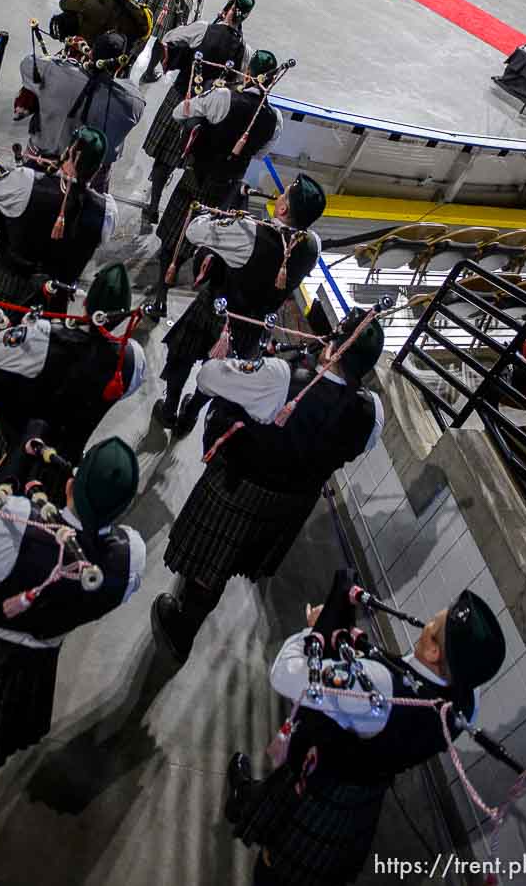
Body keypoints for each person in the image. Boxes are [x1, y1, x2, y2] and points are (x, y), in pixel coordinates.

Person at [0, 436, 144, 852]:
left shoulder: (18, 520)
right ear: (124, 507)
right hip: (36, 662)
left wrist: (6, 477)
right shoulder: (131, 560)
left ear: (72, 485)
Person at [228, 579, 506, 886]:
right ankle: (249, 799)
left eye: (429, 626)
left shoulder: (380, 686)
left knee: (278, 864)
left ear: (431, 648)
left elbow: (285, 674)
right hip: (362, 797)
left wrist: (315, 631)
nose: (425, 626)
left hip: (324, 784)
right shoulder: (468, 703)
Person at [152, 307, 386, 665]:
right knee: (233, 556)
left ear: (335, 344)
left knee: (209, 565)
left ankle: (182, 629)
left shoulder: (281, 378)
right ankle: (196, 601)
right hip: (293, 503)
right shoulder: (373, 412)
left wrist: (243, 363)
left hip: (243, 484)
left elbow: (209, 378)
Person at [156, 172, 326, 433]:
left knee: (182, 356)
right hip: (252, 327)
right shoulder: (313, 246)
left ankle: (169, 408)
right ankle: (190, 416)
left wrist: (229, 210)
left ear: (282, 208)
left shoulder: (249, 232)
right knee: (222, 375)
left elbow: (194, 231)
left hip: (216, 311)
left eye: (284, 193)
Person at [0, 262, 146, 477]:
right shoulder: (134, 358)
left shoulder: (42, 337)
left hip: (9, 455)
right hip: (62, 467)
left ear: (86, 302)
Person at [148, 50, 284, 317]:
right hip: (227, 185)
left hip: (198, 174)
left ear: (248, 71)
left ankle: (161, 293)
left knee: (173, 234)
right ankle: (183, 264)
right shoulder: (274, 119)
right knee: (202, 229)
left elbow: (180, 112)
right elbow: (259, 154)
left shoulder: (223, 97)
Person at [142, 0, 255, 225]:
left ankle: (153, 205)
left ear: (230, 8)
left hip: (181, 97)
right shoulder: (244, 50)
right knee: (184, 156)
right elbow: (238, 83)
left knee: (164, 156)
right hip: (207, 111)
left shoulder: (203, 28)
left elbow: (170, 37)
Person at [0, 127, 117, 307]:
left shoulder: (25, 181)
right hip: (53, 299)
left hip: (8, 284)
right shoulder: (106, 211)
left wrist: (13, 178)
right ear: (98, 168)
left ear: (67, 154)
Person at [15, 31, 145, 187]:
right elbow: (126, 89)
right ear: (122, 63)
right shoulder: (134, 102)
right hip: (88, 180)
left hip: (40, 163)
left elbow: (27, 63)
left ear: (90, 52)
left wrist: (68, 60)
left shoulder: (54, 72)